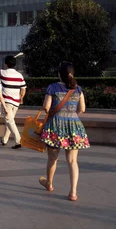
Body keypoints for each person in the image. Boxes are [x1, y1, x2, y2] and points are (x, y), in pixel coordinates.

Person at [39, 62, 90, 201]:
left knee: (52, 158)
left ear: (59, 74)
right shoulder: (78, 89)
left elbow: (46, 107)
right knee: (72, 161)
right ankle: (73, 192)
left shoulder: (52, 87)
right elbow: (82, 109)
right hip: (74, 126)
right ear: (72, 74)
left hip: (56, 125)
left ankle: (49, 184)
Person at [0, 54, 27, 149]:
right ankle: (5, 139)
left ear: (6, 64)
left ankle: (18, 140)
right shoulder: (19, 75)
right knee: (10, 121)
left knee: (9, 120)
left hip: (7, 102)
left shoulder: (2, 72)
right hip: (16, 102)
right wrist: (21, 97)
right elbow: (23, 89)